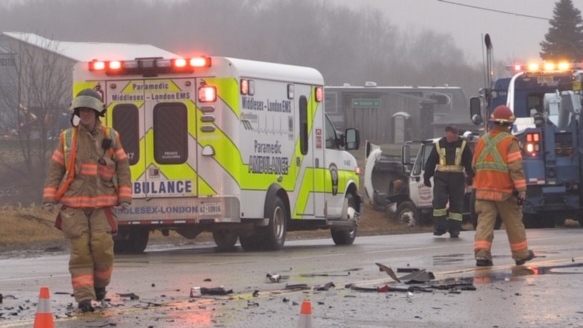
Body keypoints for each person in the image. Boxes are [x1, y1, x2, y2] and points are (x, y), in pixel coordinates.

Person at [42, 88, 132, 312]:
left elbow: (122, 166)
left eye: (89, 110)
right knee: (81, 252)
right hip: (74, 206)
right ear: (77, 112)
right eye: (82, 110)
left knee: (102, 249)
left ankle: (100, 287)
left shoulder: (111, 136)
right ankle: (83, 297)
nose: (85, 114)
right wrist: (49, 198)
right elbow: (55, 169)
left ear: (97, 112)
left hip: (102, 205)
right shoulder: (67, 137)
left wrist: (125, 197)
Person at [472, 105, 534, 267]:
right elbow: (515, 168)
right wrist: (521, 190)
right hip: (504, 191)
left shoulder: (482, 140)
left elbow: (474, 165)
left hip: (483, 190)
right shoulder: (510, 141)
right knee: (513, 222)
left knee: (484, 223)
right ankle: (520, 254)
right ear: (509, 124)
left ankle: (482, 255)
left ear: (493, 122)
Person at [423, 124, 474, 238]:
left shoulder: (463, 144)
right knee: (439, 201)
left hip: (457, 178)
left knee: (456, 204)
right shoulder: (439, 145)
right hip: (441, 177)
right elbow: (431, 162)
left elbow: (469, 162)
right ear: (447, 133)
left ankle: (454, 229)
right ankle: (439, 228)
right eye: (453, 133)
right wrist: (427, 177)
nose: (456, 135)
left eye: (457, 133)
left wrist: (470, 176)